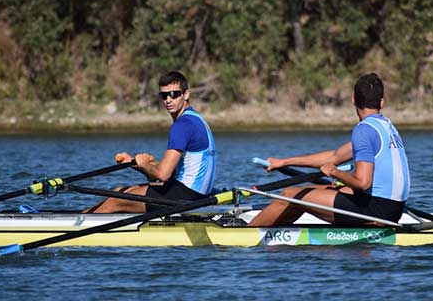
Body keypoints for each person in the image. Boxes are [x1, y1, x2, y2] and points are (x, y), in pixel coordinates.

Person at [248, 73, 410, 227]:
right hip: (393, 209)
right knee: (311, 193)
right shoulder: (386, 126)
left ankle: (246, 234)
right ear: (382, 103)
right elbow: (334, 156)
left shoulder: (364, 130)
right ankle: (278, 233)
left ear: (353, 100)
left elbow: (362, 182)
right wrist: (284, 162)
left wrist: (335, 172)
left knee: (291, 195)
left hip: (376, 209)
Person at [86, 71, 216, 213]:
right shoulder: (195, 119)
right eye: (164, 95)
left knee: (116, 200)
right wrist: (136, 163)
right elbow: (169, 171)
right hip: (193, 193)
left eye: (174, 94)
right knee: (120, 190)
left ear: (186, 95)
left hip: (186, 197)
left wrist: (146, 165)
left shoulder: (182, 125)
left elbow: (163, 174)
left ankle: (75, 228)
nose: (168, 100)